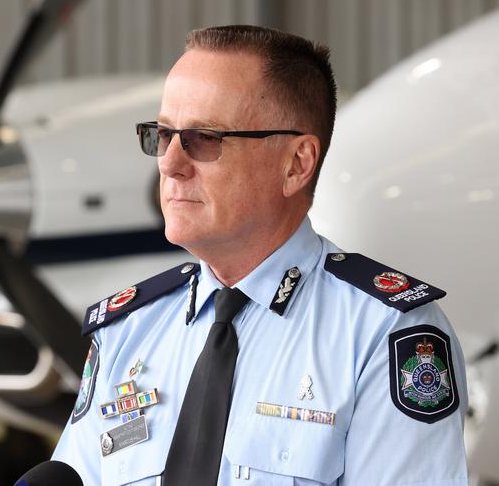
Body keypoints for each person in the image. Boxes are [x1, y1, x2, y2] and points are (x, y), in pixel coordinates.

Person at [52, 25, 468, 485]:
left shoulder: (383, 333)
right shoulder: (129, 330)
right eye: (163, 135)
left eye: (204, 138)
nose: (169, 164)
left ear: (296, 164)